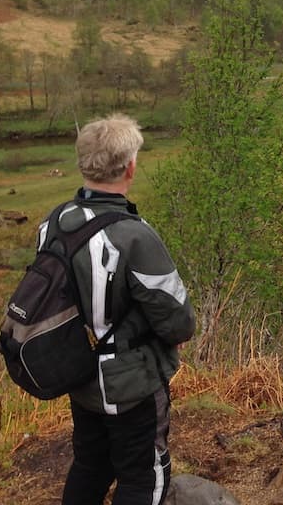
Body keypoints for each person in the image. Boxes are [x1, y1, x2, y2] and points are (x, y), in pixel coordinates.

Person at [47, 114, 196, 505]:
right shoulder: (134, 234)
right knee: (143, 476)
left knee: (91, 466)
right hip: (131, 385)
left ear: (83, 163)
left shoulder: (55, 223)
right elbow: (178, 318)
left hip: (79, 375)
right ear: (130, 166)